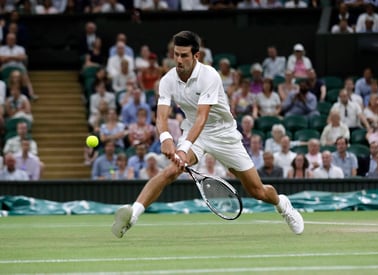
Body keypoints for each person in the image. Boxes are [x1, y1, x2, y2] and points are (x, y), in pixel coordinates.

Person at [111, 30, 304, 238]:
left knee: (257, 191)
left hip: (223, 134)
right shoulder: (168, 80)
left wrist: (183, 148)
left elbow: (203, 117)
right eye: (176, 54)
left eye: (184, 55)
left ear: (196, 55)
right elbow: (161, 116)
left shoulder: (210, 76)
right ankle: (133, 215)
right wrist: (165, 138)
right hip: (195, 134)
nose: (178, 59)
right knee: (171, 171)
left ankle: (282, 204)